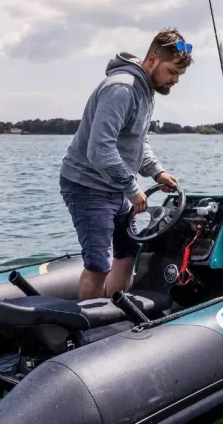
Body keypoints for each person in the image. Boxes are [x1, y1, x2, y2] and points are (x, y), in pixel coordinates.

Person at [59, 28, 193, 300]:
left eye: (180, 75)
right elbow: (100, 149)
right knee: (98, 265)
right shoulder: (123, 88)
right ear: (153, 60)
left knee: (128, 252)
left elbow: (135, 141)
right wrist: (132, 189)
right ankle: (92, 332)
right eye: (172, 72)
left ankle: (116, 314)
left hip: (114, 188)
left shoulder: (146, 90)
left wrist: (157, 172)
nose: (176, 80)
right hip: (87, 187)